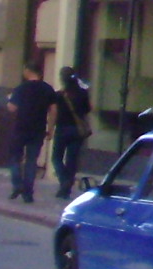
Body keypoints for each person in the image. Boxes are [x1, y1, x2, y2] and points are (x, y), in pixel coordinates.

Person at [5, 62, 56, 204]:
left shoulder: (21, 88)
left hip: (20, 128)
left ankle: (17, 184)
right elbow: (53, 111)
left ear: (28, 71)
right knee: (31, 161)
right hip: (38, 129)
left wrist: (9, 100)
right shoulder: (48, 89)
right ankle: (28, 193)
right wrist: (50, 129)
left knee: (15, 157)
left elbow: (12, 108)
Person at [50, 67, 93, 198]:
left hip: (62, 128)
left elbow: (54, 113)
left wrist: (50, 128)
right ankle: (66, 188)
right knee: (72, 159)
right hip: (77, 130)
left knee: (56, 158)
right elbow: (88, 109)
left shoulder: (59, 95)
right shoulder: (83, 93)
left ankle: (64, 181)